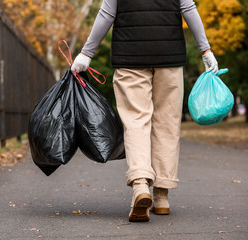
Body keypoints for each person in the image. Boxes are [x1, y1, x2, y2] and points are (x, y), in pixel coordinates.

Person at [71, 0, 219, 222]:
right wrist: (205, 50)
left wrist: (86, 53)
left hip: (130, 57)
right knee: (166, 124)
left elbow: (107, 13)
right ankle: (162, 197)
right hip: (169, 57)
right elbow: (188, 8)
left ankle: (140, 185)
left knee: (136, 121)